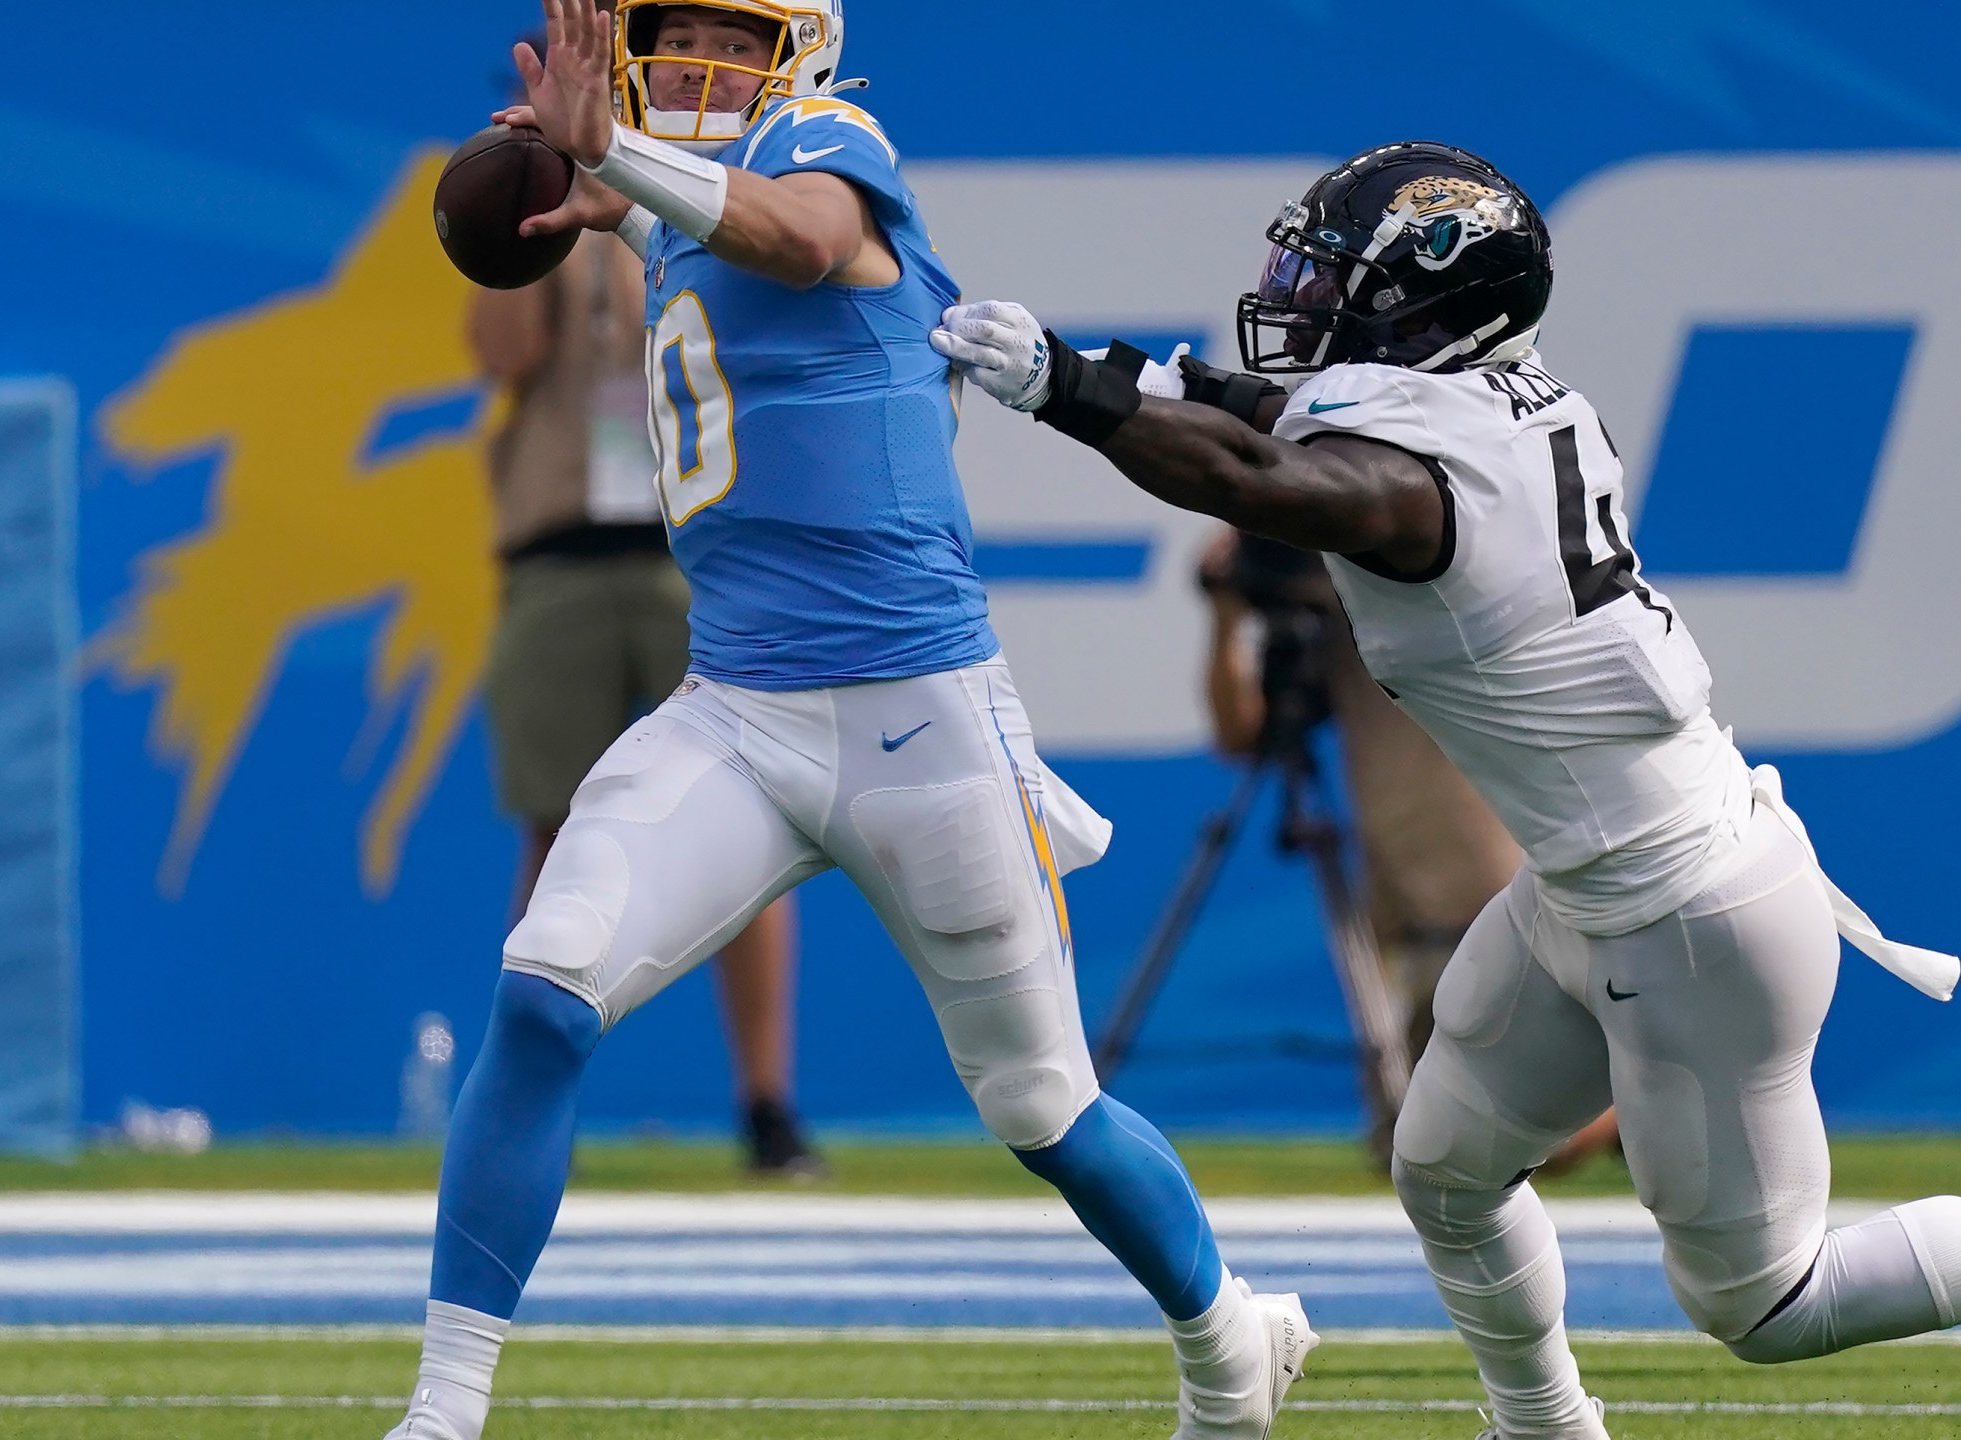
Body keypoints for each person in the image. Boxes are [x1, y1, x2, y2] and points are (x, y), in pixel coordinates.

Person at [933, 140, 1961, 1438]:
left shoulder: (1412, 476)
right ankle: (1546, 1426)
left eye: (1334, 276)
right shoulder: (1496, 402)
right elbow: (1269, 419)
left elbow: (1272, 476)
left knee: (1763, 1305)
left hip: (1686, 906)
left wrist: (1077, 393)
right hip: (1593, 879)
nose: (1297, 294)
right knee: (1442, 1171)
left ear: (1428, 308)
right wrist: (1115, 369)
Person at [382, 4, 1316, 1438]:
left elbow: (802, 241)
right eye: (667, 40)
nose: (694, 67)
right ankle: (442, 1414)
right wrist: (578, 187)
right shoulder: (663, 207)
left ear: (797, 56)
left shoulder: (831, 148)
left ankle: (1224, 1339)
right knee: (540, 990)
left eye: (726, 42)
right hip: (737, 712)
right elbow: (644, 232)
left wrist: (617, 156)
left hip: (919, 720)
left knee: (1042, 1110)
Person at [466, 37, 817, 1175]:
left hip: (692, 547)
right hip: (560, 548)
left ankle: (766, 1102)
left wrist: (638, 189)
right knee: (555, 826)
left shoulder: (715, 195)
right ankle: (526, 1095)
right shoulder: (552, 199)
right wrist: (529, 206)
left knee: (746, 834)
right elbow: (500, 354)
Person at [1198, 528, 1522, 1072]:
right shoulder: (1337, 635)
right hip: (1394, 903)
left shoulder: (1439, 602)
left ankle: (1616, 1121)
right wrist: (1228, 614)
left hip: (1486, 892)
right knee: (1406, 1134)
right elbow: (1242, 735)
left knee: (1505, 1127)